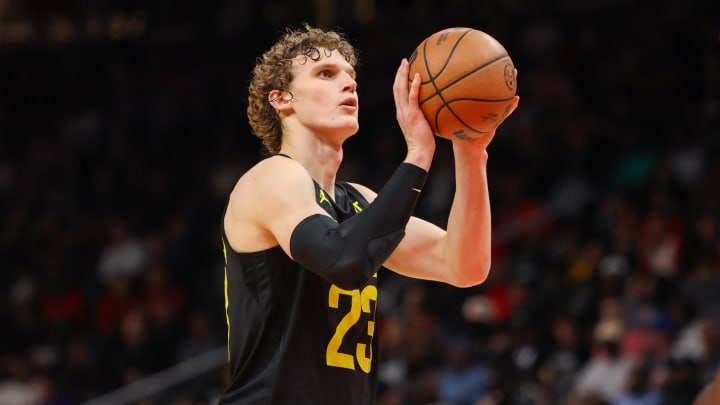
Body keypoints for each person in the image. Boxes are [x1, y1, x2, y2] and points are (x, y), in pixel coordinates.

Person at [220, 23, 519, 405]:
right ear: (281, 99)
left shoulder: (358, 200)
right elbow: (343, 260)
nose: (348, 83)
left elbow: (464, 265)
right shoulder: (271, 178)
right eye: (326, 74)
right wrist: (418, 155)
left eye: (351, 75)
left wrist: (470, 154)